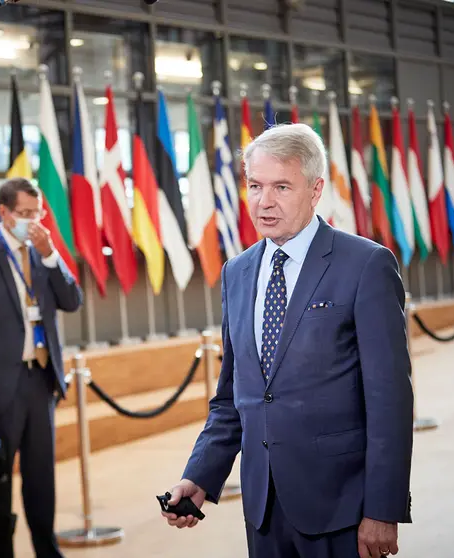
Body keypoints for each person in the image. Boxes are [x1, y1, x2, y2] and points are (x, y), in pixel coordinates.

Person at [162, 123, 413, 558]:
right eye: (255, 185)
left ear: (316, 190)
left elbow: (390, 400)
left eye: (282, 186)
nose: (264, 201)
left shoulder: (366, 264)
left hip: (342, 509)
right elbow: (234, 397)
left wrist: (383, 508)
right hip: (263, 509)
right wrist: (200, 476)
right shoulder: (236, 273)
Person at [0, 178, 83, 558]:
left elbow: (71, 301)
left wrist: (50, 255)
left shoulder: (41, 252)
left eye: (37, 213)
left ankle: (47, 548)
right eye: (24, 214)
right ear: (4, 214)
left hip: (39, 381)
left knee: (41, 477)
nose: (32, 221)